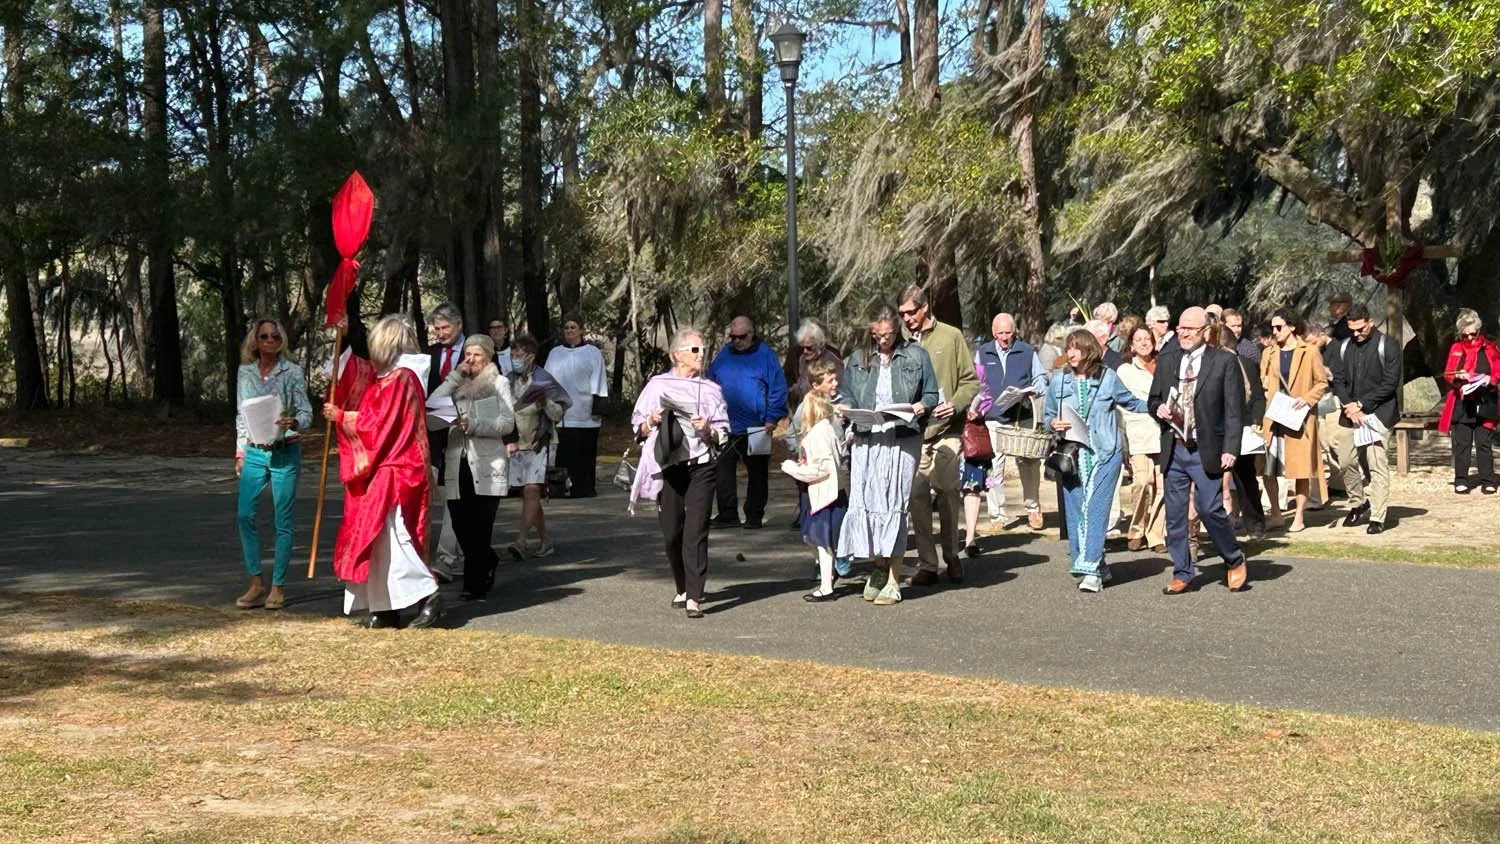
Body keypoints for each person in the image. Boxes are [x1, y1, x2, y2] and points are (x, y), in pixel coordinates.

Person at [325, 314, 442, 629]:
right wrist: (344, 337)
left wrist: (342, 418)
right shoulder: (392, 376)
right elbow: (361, 388)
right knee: (380, 541)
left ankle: (428, 595)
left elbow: (378, 425)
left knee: (397, 538)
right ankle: (385, 607)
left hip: (398, 470)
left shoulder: (402, 377)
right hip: (389, 468)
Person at [838, 302, 939, 605]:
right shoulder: (857, 360)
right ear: (870, 332)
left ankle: (894, 579)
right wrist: (847, 410)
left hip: (902, 436)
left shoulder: (916, 355)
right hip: (869, 437)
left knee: (894, 502)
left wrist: (921, 406)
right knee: (869, 502)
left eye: (890, 334)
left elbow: (932, 394)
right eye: (878, 335)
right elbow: (849, 396)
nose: (884, 340)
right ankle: (878, 568)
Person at [630, 328, 731, 618]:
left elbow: (724, 434)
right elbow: (638, 430)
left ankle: (694, 598)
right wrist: (650, 421)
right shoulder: (657, 386)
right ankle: (683, 585)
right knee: (672, 532)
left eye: (702, 349)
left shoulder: (711, 390)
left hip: (702, 465)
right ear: (677, 354)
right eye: (695, 350)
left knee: (696, 531)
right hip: (669, 465)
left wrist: (708, 429)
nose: (701, 355)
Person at [1149, 306, 1250, 595]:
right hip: (1175, 448)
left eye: (1190, 329)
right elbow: (1152, 398)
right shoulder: (1168, 360)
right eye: (1180, 328)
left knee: (1209, 508)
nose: (1183, 333)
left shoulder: (1223, 362)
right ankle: (1183, 571)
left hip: (1207, 450)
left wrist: (1231, 448)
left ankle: (1233, 558)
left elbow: (1234, 410)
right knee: (1175, 516)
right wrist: (1159, 408)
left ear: (1205, 331)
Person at [1045, 329, 1149, 592]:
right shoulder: (1059, 382)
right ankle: (1100, 566)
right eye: (1068, 347)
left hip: (1104, 453)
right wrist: (1052, 423)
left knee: (1096, 509)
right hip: (1072, 455)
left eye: (1076, 347)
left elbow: (1132, 403)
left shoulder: (1108, 378)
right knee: (1077, 510)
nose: (1071, 352)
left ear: (1089, 349)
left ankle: (1089, 567)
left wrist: (1158, 406)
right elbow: (1047, 417)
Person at [899, 284, 980, 585]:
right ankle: (927, 564)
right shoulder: (901, 342)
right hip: (914, 431)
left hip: (947, 429)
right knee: (917, 497)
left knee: (947, 491)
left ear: (924, 308)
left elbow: (971, 383)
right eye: (902, 314)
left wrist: (955, 405)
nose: (906, 319)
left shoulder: (951, 336)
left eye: (911, 312)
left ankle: (952, 555)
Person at [232, 318, 313, 611]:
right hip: (255, 450)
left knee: (283, 520)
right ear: (255, 341)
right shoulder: (245, 373)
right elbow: (241, 415)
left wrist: (295, 422)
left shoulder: (291, 371)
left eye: (275, 337)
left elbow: (306, 411)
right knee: (245, 515)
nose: (270, 341)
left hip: (284, 449)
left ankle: (278, 586)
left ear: (282, 341)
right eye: (264, 336)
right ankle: (256, 582)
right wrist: (240, 452)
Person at [430, 334, 515, 600]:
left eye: (476, 355)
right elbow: (431, 410)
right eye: (467, 354)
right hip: (457, 464)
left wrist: (475, 425)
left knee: (480, 526)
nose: (471, 359)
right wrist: (454, 378)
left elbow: (508, 423)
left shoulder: (499, 383)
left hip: (487, 465)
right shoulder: (458, 386)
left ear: (488, 357)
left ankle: (474, 584)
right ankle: (487, 559)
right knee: (459, 523)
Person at [706, 316, 788, 529]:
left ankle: (754, 515)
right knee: (723, 469)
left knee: (757, 473)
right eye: (732, 337)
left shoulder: (766, 356)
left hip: (757, 426)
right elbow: (710, 383)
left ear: (751, 334)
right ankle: (727, 513)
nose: (736, 341)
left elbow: (778, 390)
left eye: (741, 337)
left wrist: (772, 418)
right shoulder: (724, 354)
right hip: (726, 425)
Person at [1329, 303, 1401, 534]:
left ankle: (1378, 516)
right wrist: (1350, 405)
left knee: (1376, 463)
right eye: (1352, 330)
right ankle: (1358, 502)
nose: (1357, 334)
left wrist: (1362, 405)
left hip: (1378, 413)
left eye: (1361, 329)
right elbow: (1337, 381)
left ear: (1370, 322)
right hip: (1350, 413)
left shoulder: (1387, 346)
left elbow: (1390, 383)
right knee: (1347, 460)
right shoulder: (1344, 347)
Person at [780, 361, 848, 601]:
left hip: (823, 494)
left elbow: (821, 468)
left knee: (823, 540)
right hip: (827, 490)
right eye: (830, 380)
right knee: (821, 540)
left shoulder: (818, 434)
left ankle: (827, 585)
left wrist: (792, 468)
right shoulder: (825, 429)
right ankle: (827, 576)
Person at [975, 313, 1047, 530]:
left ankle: (1033, 509)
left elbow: (1040, 377)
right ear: (993, 333)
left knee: (1029, 463)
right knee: (994, 467)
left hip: (1021, 417)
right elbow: (976, 381)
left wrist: (1036, 391)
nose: (1004, 337)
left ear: (1014, 331)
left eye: (1008, 333)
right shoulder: (982, 352)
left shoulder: (1027, 351)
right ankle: (997, 515)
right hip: (994, 418)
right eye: (1000, 333)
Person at [1258, 308, 1327, 533]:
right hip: (1275, 415)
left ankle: (1298, 516)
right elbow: (1262, 380)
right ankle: (1276, 514)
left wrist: (1306, 399)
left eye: (1279, 327)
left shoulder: (1310, 351)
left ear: (1293, 326)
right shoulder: (1269, 353)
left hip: (1300, 417)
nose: (1275, 331)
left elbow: (1322, 382)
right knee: (1269, 467)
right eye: (1273, 328)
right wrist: (1267, 385)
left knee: (1301, 468)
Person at [505, 335, 568, 558]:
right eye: (512, 355)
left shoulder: (544, 379)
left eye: (519, 356)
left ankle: (520, 541)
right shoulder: (508, 380)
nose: (515, 360)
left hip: (540, 442)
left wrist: (545, 402)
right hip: (516, 443)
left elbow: (559, 413)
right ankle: (545, 540)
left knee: (532, 490)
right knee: (528, 494)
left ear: (530, 357)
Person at [1208, 322, 1266, 536]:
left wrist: (1256, 419)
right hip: (1214, 429)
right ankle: (1218, 523)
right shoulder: (1208, 366)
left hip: (1242, 427)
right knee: (1212, 478)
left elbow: (1259, 396)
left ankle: (1255, 523)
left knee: (1245, 476)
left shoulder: (1246, 365)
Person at [545, 312, 608, 498]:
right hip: (563, 414)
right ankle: (561, 488)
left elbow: (599, 380)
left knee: (584, 454)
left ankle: (585, 488)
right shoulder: (555, 354)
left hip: (586, 414)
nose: (570, 331)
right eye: (566, 328)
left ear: (581, 330)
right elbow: (547, 381)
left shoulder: (592, 353)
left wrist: (598, 408)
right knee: (564, 455)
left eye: (573, 327)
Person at [1438, 309, 1500, 494]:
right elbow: (1448, 373)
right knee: (1462, 442)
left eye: (1474, 334)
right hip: (1462, 401)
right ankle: (1461, 479)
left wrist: (1491, 379)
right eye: (1466, 335)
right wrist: (1458, 376)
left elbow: (1497, 370)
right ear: (1460, 334)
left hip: (1485, 400)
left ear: (1479, 331)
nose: (1471, 338)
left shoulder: (1490, 348)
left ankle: (1488, 479)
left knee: (1483, 442)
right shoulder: (1456, 348)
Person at [425, 302, 466, 581]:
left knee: (454, 495)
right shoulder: (430, 354)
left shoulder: (475, 350)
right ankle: (460, 550)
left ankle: (445, 558)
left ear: (459, 324)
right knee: (435, 493)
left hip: (463, 430)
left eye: (445, 328)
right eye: (437, 328)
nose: (440, 333)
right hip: (432, 430)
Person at [1116, 324, 1165, 551]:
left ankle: (1156, 536)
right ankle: (1136, 529)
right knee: (1142, 482)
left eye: (1148, 338)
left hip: (1164, 433)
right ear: (1132, 345)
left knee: (1164, 486)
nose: (1144, 342)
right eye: (1139, 339)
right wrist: (1124, 442)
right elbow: (1122, 407)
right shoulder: (1125, 371)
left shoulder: (1164, 366)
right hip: (1138, 435)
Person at [788, 319, 845, 408]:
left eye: (809, 348)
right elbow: (800, 385)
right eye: (802, 347)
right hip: (804, 407)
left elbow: (839, 390)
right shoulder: (802, 359)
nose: (805, 351)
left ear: (819, 344)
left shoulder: (833, 360)